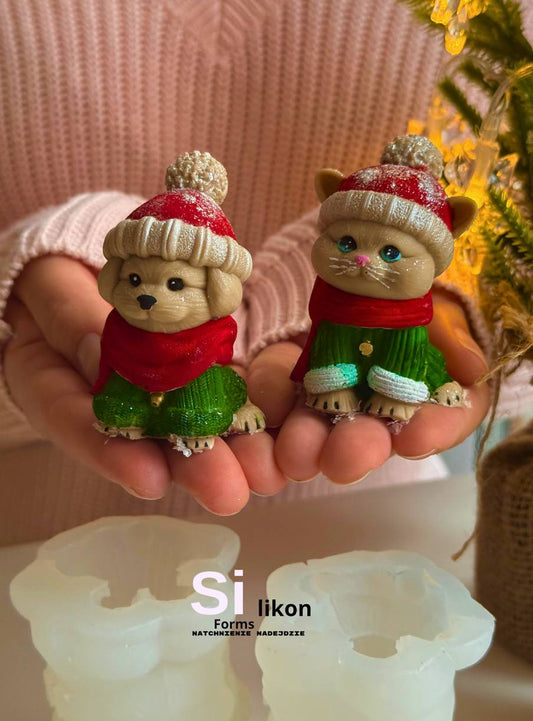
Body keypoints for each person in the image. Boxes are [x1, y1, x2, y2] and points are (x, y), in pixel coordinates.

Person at [1, 0, 523, 544]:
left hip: (372, 523)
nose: (363, 261)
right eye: (348, 244)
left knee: (215, 396)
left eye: (174, 284)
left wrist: (498, 333)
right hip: (34, 525)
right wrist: (17, 305)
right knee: (137, 393)